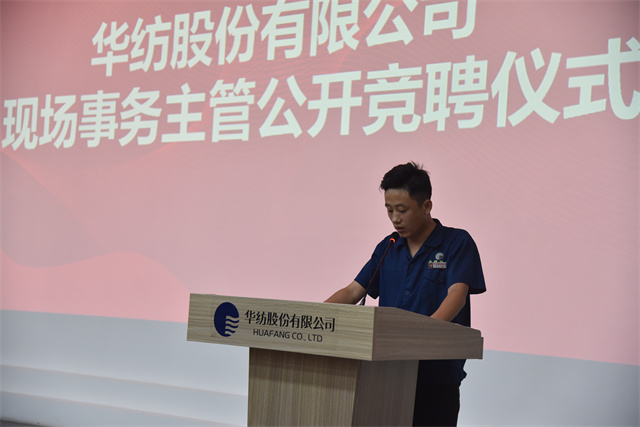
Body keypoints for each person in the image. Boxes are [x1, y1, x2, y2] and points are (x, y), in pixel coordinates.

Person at [325, 162, 486, 427]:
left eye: (402, 210)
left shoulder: (457, 242)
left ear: (426, 206)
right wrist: (316, 318)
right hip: (388, 371)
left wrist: (417, 339)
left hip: (436, 374)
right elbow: (353, 291)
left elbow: (456, 295)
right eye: (389, 210)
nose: (395, 218)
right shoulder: (388, 246)